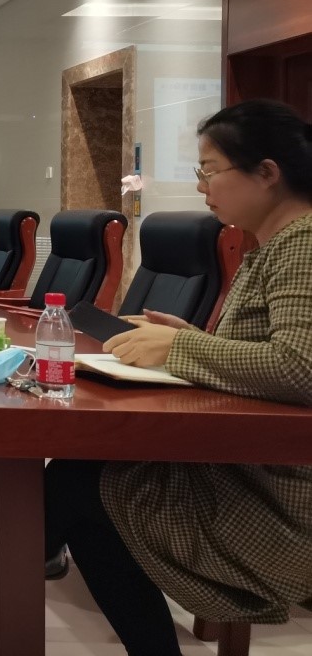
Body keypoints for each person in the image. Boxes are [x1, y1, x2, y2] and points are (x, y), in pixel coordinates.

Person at [44, 99, 312, 656]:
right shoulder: (275, 245)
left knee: (80, 488)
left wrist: (182, 347)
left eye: (209, 170)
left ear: (267, 172)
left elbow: (299, 367)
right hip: (244, 462)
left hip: (277, 498)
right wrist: (190, 337)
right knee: (79, 475)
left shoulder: (303, 244)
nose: (200, 186)